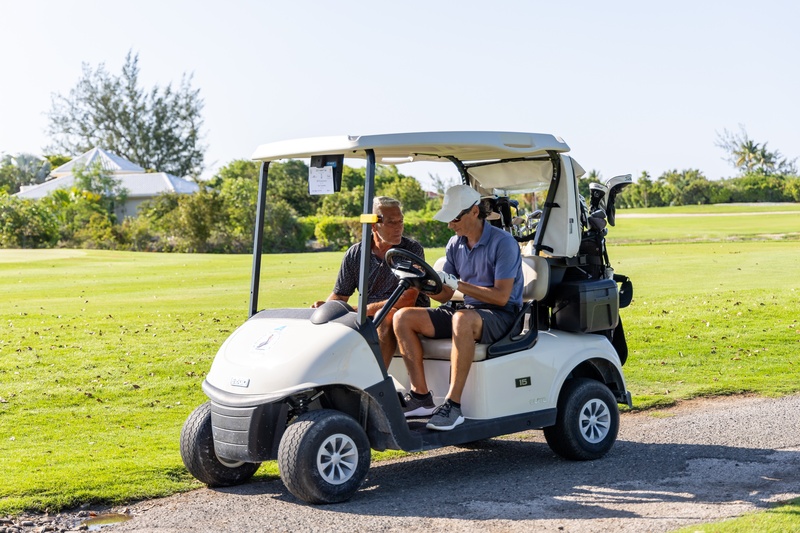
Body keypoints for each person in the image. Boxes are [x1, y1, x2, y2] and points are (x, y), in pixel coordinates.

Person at [393, 185, 523, 430]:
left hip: (503, 315)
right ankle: (421, 397)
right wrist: (423, 283)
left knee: (461, 318)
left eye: (454, 219)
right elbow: (445, 295)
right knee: (402, 318)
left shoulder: (504, 243)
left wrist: (458, 284)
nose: (450, 226)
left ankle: (453, 405)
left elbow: (501, 297)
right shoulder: (455, 244)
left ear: (474, 211)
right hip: (468, 312)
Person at [312, 196, 429, 368]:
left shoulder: (411, 250)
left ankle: (376, 378)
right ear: (374, 226)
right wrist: (327, 309)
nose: (399, 227)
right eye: (391, 222)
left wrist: (358, 311)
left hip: (403, 317)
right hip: (369, 316)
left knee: (387, 315)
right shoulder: (356, 254)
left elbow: (407, 299)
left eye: (401, 221)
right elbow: (340, 295)